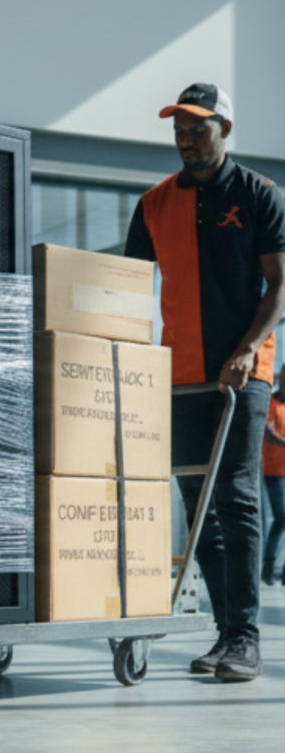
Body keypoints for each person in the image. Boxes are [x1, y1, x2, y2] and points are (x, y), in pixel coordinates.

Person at [125, 83, 285, 682]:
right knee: (197, 509)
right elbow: (132, 289)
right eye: (179, 129)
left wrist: (247, 351)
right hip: (180, 375)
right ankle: (225, 633)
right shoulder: (154, 204)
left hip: (243, 374)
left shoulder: (261, 195)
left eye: (198, 128)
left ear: (225, 130)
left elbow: (280, 286)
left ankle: (247, 637)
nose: (186, 140)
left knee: (239, 497)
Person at [262, 365, 285, 585]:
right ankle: (267, 569)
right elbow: (269, 435)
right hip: (274, 470)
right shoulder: (271, 402)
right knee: (281, 517)